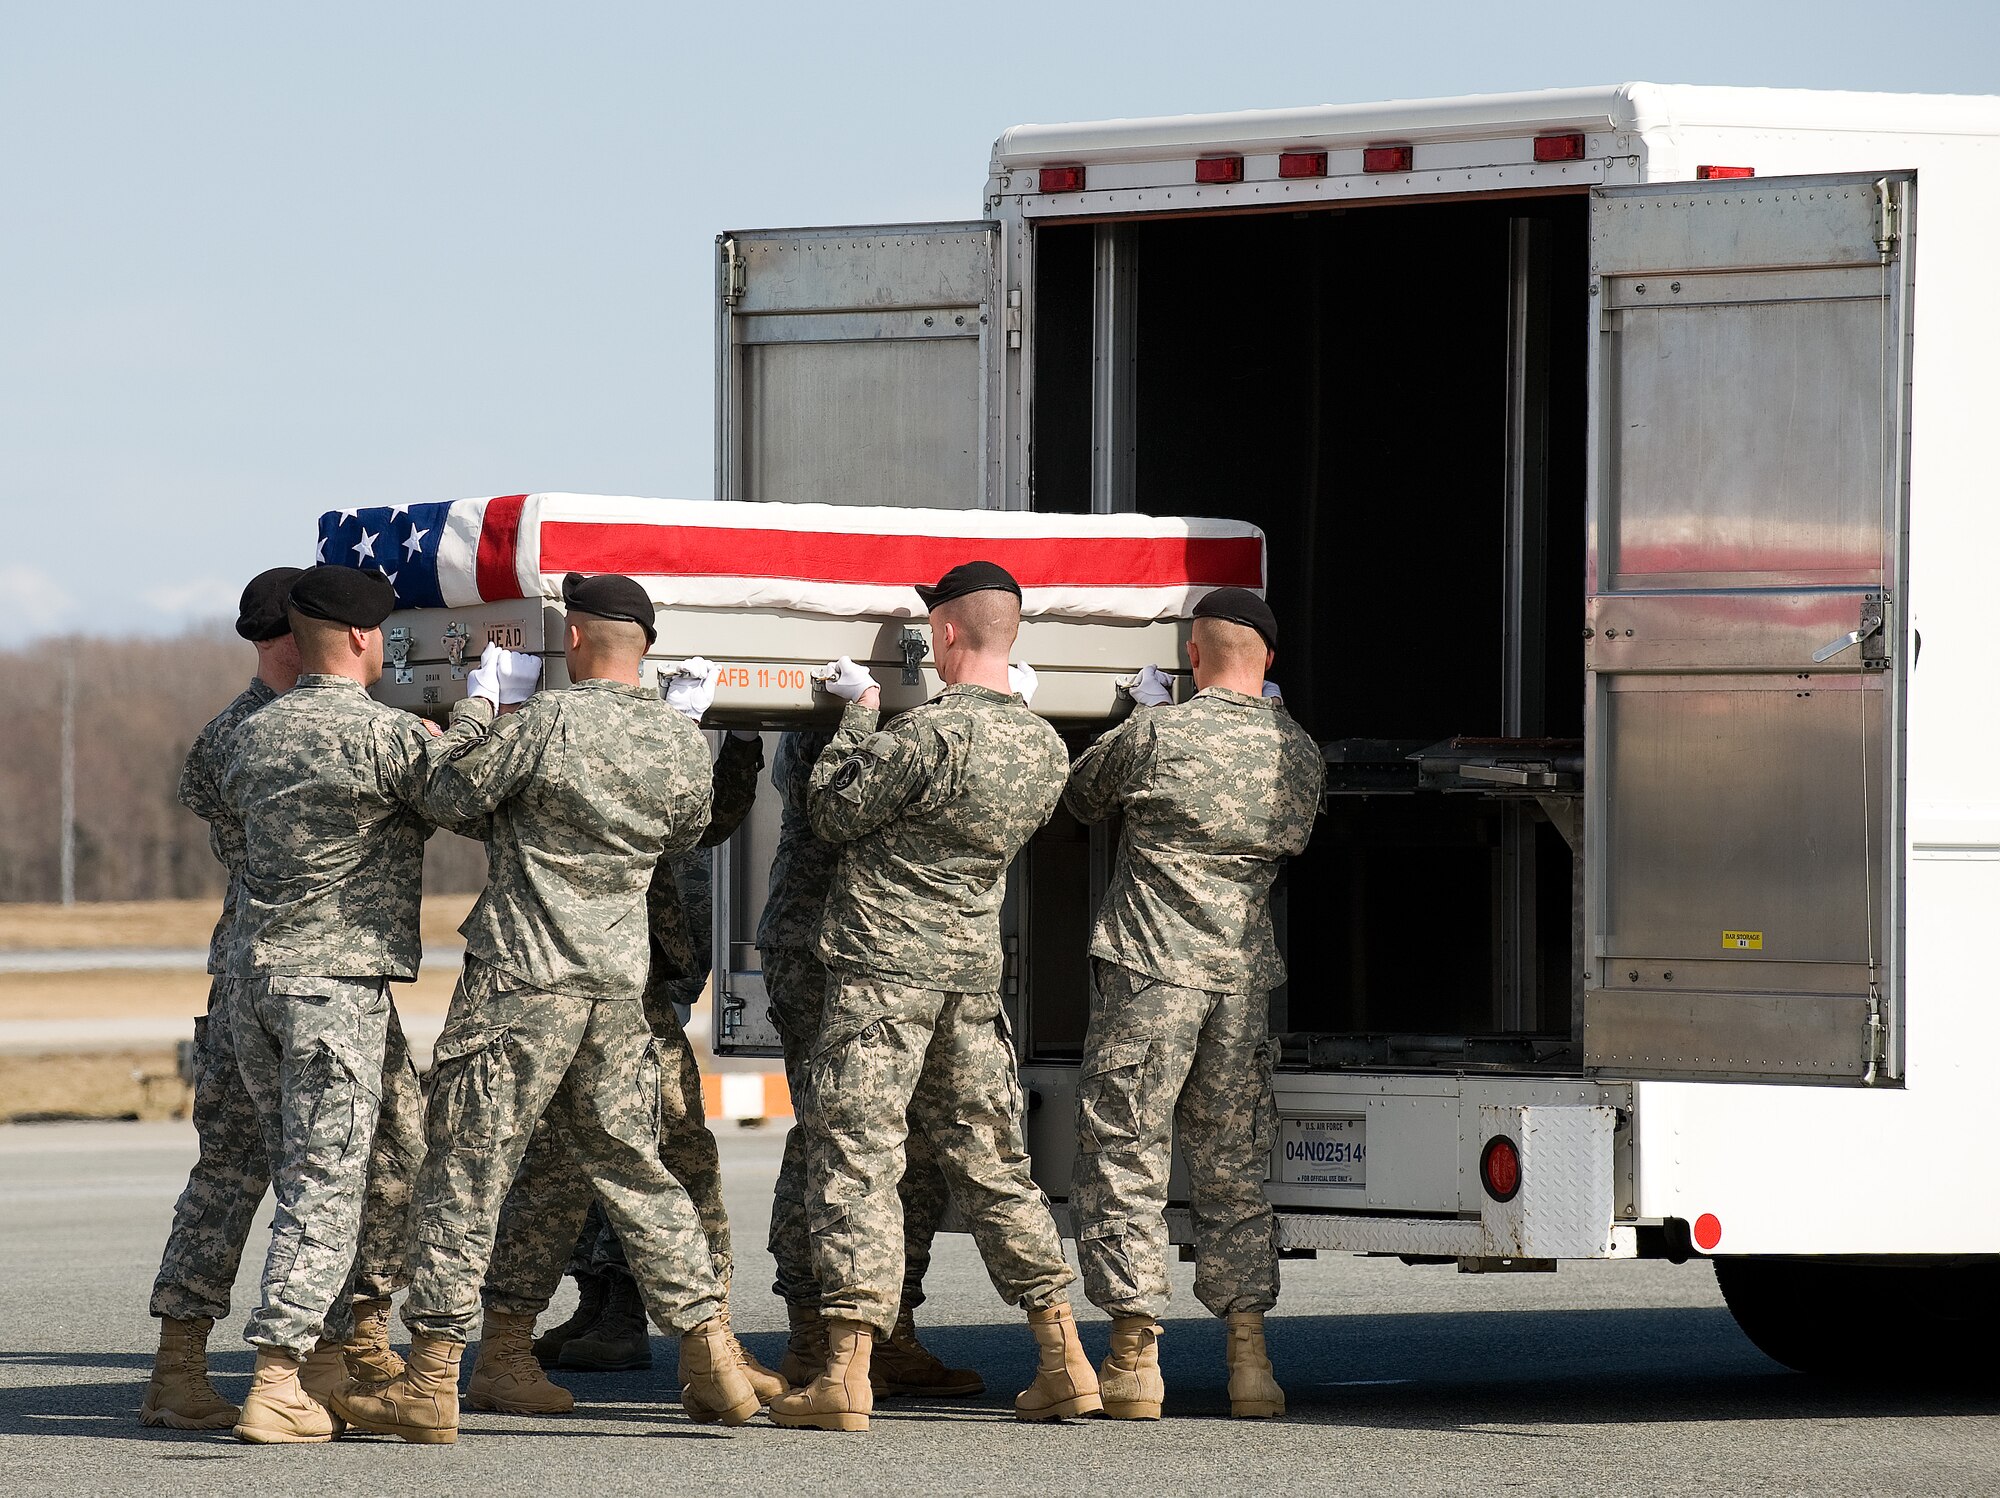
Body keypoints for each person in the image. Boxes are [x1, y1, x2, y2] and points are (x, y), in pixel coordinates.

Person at [333, 572, 760, 1443]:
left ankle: (432, 1378)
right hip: (616, 990)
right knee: (635, 1166)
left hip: (522, 984)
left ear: (573, 643)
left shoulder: (547, 723)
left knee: (467, 1170)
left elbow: (449, 796)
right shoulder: (679, 741)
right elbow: (685, 830)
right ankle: (713, 1355)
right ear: (643, 649)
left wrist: (482, 708)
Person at [771, 560, 1098, 1433]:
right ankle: (1064, 1356)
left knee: (858, 1158)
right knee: (995, 1165)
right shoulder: (1043, 744)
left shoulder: (926, 736)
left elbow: (835, 812)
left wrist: (857, 718)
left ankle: (843, 1372)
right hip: (970, 982)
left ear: (945, 633)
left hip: (881, 975)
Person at [216, 564, 476, 1444]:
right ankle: (281, 1375)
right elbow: (467, 793)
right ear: (367, 638)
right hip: (333, 989)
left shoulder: (253, 735)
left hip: (256, 984)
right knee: (326, 1184)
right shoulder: (382, 737)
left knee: (367, 1154)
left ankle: (342, 1347)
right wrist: (479, 709)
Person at [1061, 587, 1324, 1420]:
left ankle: (1136, 1358)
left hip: (1150, 973)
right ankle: (1251, 1360)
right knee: (1235, 1167)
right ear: (1270, 661)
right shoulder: (1300, 753)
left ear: (1193, 657)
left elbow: (1080, 799)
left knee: (1126, 1154)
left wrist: (1138, 717)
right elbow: (1298, 837)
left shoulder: (1159, 734)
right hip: (1243, 985)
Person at [470, 725, 781, 1417]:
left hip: (634, 981)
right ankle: (509, 1343)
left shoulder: (637, 732)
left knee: (680, 1153)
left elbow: (706, 821)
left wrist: (741, 738)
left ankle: (710, 1336)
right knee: (560, 1166)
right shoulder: (550, 729)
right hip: (561, 978)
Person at [760, 729, 979, 1398]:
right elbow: (826, 801)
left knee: (911, 1145)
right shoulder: (835, 715)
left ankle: (892, 1330)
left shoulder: (926, 724)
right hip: (816, 943)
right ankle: (809, 1334)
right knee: (830, 1136)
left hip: (892, 952)